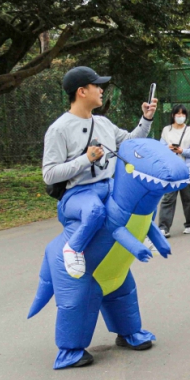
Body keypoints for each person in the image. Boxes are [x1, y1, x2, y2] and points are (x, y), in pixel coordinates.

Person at [43, 66, 156, 278]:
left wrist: (146, 118)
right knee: (95, 211)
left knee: (142, 197)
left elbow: (130, 142)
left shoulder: (103, 123)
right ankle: (72, 248)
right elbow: (49, 174)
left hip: (107, 185)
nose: (101, 90)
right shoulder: (59, 129)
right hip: (77, 193)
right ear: (81, 91)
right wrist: (86, 159)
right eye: (97, 85)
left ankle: (141, 233)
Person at [157, 104, 190, 237]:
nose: (180, 117)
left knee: (188, 198)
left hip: (186, 170)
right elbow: (160, 147)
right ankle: (164, 227)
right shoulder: (166, 130)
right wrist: (168, 148)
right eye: (178, 114)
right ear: (173, 115)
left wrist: (183, 151)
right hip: (171, 170)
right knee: (168, 198)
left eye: (183, 114)